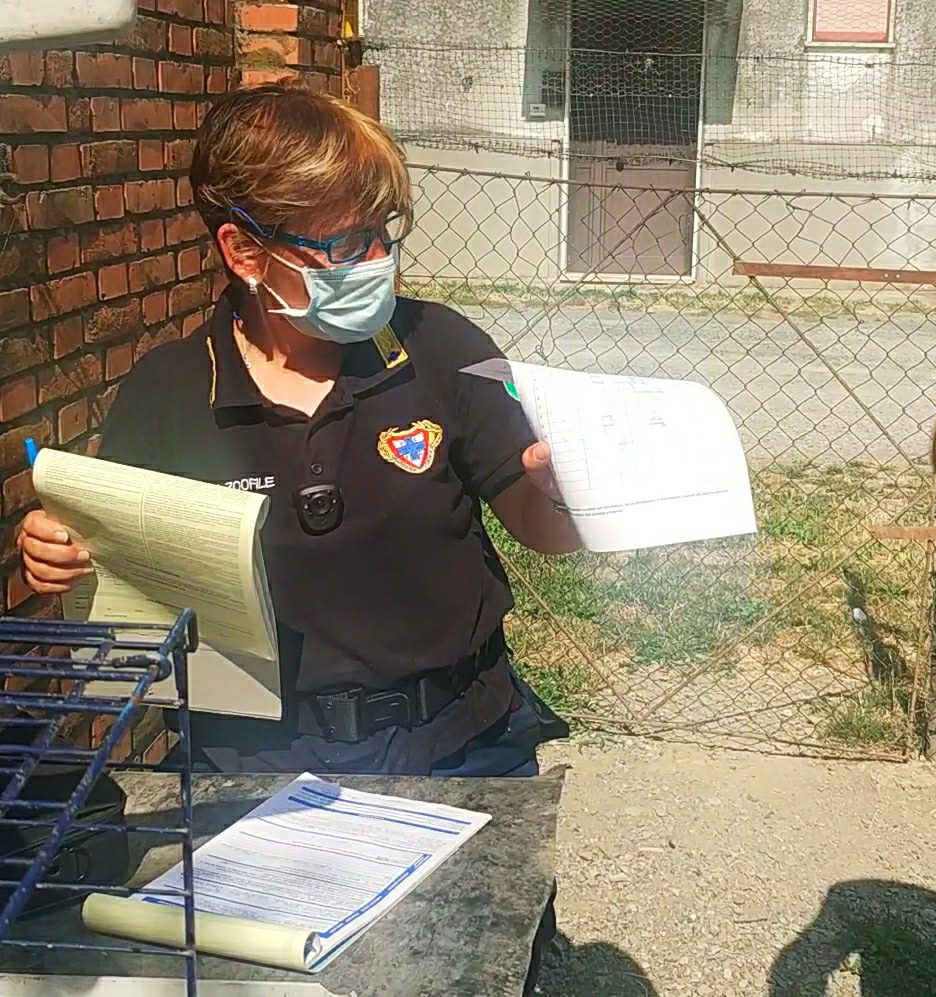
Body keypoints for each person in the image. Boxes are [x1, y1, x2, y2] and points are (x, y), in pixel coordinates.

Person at [17, 81, 581, 990]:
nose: (375, 261)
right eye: (343, 243)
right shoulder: (168, 392)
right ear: (243, 250)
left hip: (460, 747)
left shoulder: (441, 349)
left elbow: (541, 529)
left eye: (383, 233)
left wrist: (568, 494)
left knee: (472, 974)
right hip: (250, 772)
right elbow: (125, 598)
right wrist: (67, 556)